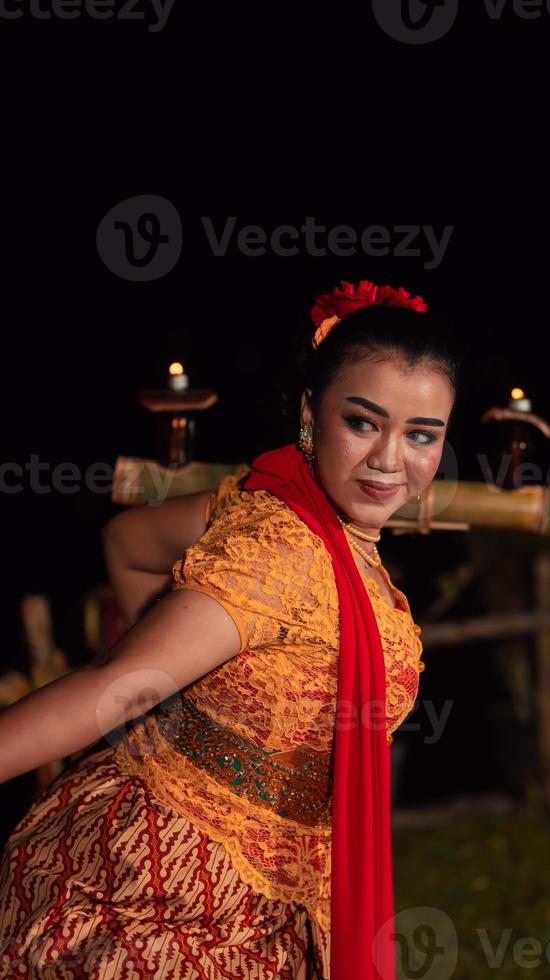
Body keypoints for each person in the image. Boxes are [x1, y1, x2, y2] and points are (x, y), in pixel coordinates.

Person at [0, 280, 458, 979]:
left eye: (421, 435)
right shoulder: (282, 552)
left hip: (286, 888)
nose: (391, 459)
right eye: (363, 422)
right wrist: (168, 676)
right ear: (312, 414)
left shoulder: (271, 497)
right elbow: (114, 689)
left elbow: (129, 540)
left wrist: (198, 693)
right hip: (175, 885)